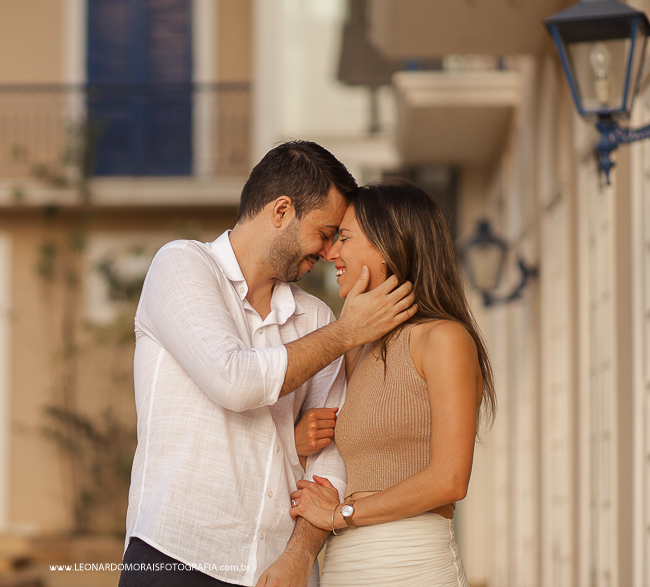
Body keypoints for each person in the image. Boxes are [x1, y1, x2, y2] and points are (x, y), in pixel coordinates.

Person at [119, 141, 417, 587]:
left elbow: (330, 455)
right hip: (173, 556)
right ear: (281, 211)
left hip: (275, 570)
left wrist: (298, 558)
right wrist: (348, 333)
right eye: (325, 231)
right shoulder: (181, 265)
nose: (330, 249)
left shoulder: (316, 317)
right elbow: (232, 380)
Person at [288, 179, 497, 586]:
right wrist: (296, 441)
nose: (330, 252)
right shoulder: (356, 348)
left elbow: (450, 479)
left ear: (387, 245)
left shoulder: (444, 339)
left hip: (412, 563)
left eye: (344, 237)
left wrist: (342, 515)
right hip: (345, 564)